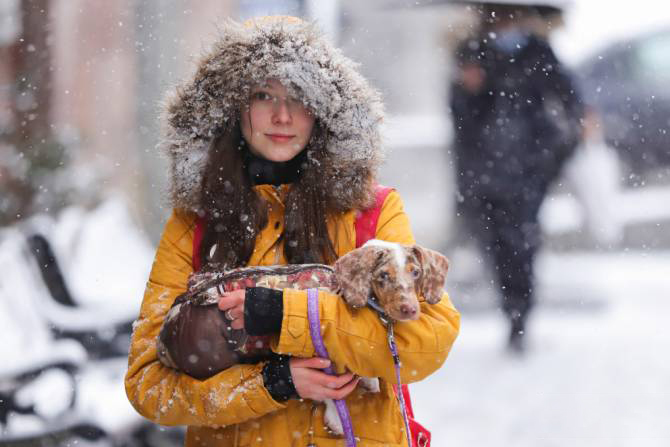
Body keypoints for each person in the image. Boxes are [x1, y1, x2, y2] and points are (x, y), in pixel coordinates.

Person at [125, 16, 460, 446]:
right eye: (263, 96)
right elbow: (148, 388)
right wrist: (274, 382)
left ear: (322, 111)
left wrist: (286, 315)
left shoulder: (370, 213)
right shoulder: (195, 223)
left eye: (299, 97)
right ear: (232, 108)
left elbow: (424, 345)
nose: (282, 116)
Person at [449, 4, 583, 352]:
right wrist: (468, 89)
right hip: (482, 172)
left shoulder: (539, 52)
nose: (506, 23)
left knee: (522, 244)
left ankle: (519, 316)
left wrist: (553, 156)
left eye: (512, 16)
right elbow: (460, 117)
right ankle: (511, 307)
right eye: (500, 16)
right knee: (494, 246)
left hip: (527, 171)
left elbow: (569, 100)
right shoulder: (471, 52)